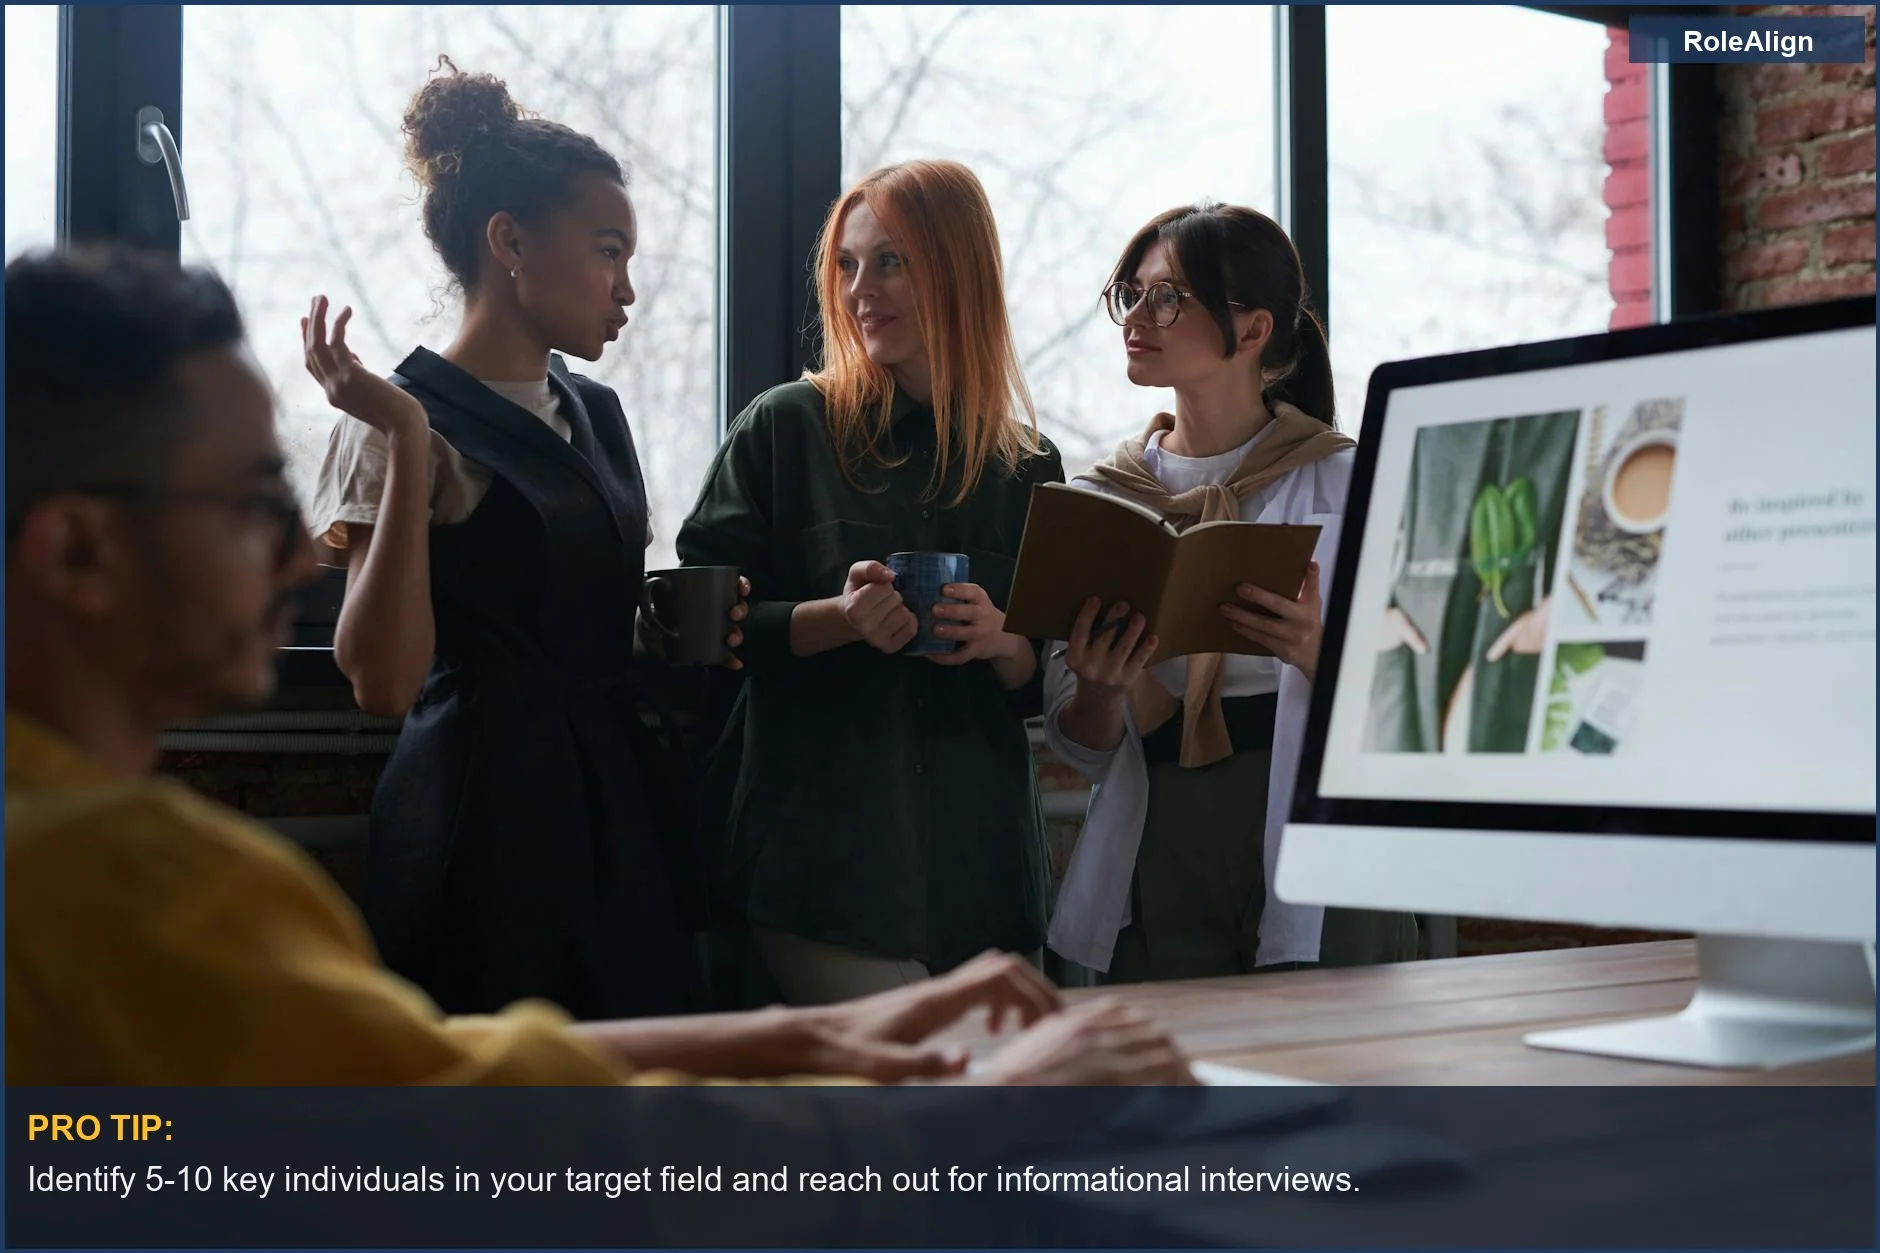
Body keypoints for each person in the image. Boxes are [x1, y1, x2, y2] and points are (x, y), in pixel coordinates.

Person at [3, 245, 1197, 1089]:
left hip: (616, 803)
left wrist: (838, 1040)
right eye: (251, 505)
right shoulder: (123, 881)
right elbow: (457, 1130)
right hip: (503, 802)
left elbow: (458, 1070)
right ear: (80, 549)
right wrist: (967, 1105)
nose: (287, 561)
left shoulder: (107, 857)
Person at [304, 61, 731, 1020]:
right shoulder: (391, 420)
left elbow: (581, 614)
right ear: (509, 242)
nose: (628, 288)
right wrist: (412, 441)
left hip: (613, 804)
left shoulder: (598, 411)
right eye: (608, 250)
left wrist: (666, 626)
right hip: (481, 814)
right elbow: (382, 680)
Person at [676, 159, 1064, 1005]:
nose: (860, 290)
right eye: (847, 265)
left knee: (1014, 1122)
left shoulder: (1029, 468)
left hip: (989, 876)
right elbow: (698, 633)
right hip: (823, 873)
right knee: (919, 1107)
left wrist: (1003, 643)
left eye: (890, 261)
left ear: (959, 270)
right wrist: (840, 619)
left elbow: (1040, 684)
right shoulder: (785, 428)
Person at [1042, 203, 1419, 984]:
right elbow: (1077, 742)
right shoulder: (1100, 500)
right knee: (1166, 1089)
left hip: (1314, 833)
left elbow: (1423, 705)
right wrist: (1100, 693)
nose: (1138, 317)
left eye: (1169, 297)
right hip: (1161, 834)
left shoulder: (1351, 482)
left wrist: (1319, 652)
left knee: (1328, 1082)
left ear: (1250, 332)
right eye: (1132, 293)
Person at [1364, 410, 1577, 754]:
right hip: (1412, 617)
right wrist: (1371, 610)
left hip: (1520, 609)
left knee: (1482, 758)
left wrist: (1554, 611)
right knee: (1400, 782)